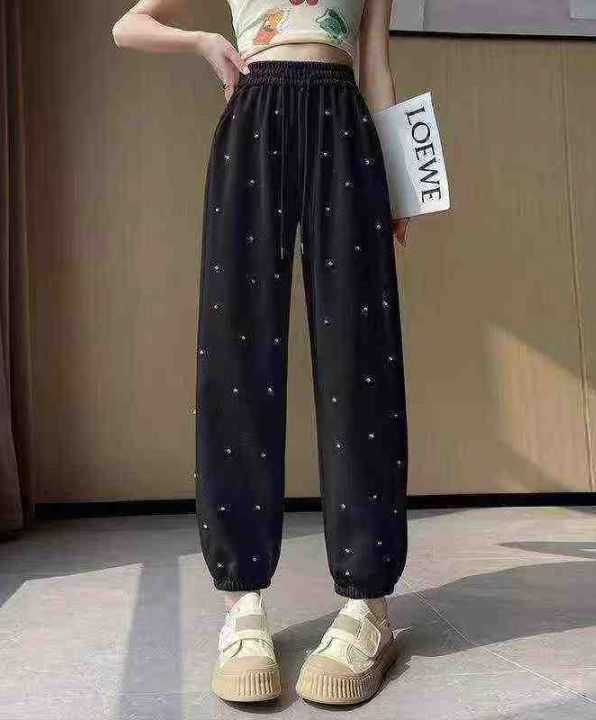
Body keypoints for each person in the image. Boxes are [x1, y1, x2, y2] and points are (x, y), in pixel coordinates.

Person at [112, 0, 409, 705]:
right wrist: (203, 42)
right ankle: (242, 602)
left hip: (344, 123)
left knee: (360, 359)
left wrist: (401, 182)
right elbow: (129, 25)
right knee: (236, 359)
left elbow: (375, 63)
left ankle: (368, 604)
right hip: (253, 120)